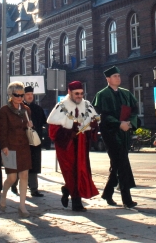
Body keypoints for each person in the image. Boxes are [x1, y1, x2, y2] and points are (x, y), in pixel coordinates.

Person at [47, 80, 99, 212]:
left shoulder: (87, 105)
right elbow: (53, 130)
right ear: (69, 92)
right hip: (66, 146)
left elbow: (94, 123)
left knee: (81, 170)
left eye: (81, 93)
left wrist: (93, 126)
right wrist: (69, 132)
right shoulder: (61, 106)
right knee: (70, 172)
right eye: (77, 93)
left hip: (82, 144)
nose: (79, 96)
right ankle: (76, 202)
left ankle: (68, 190)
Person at [93, 66, 139, 209]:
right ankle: (127, 199)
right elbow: (102, 115)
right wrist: (119, 124)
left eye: (119, 76)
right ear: (108, 79)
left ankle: (107, 193)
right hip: (111, 134)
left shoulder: (126, 93)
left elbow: (135, 110)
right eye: (115, 76)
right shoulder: (102, 95)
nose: (118, 78)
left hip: (124, 133)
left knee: (117, 164)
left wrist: (129, 123)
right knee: (122, 163)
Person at [0, 82, 33, 218]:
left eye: (21, 95)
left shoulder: (26, 109)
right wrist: (4, 146)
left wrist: (29, 125)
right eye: (16, 95)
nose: (19, 97)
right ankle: (4, 194)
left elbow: (27, 128)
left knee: (24, 176)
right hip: (10, 147)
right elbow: (2, 130)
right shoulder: (4, 110)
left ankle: (22, 207)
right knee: (12, 178)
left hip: (24, 146)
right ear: (10, 95)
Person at [11, 86, 45, 198]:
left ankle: (34, 189)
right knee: (20, 164)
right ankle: (14, 184)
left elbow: (42, 123)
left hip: (34, 142)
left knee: (34, 165)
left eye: (31, 94)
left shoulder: (38, 109)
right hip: (22, 142)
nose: (30, 96)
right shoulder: (18, 108)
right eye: (27, 94)